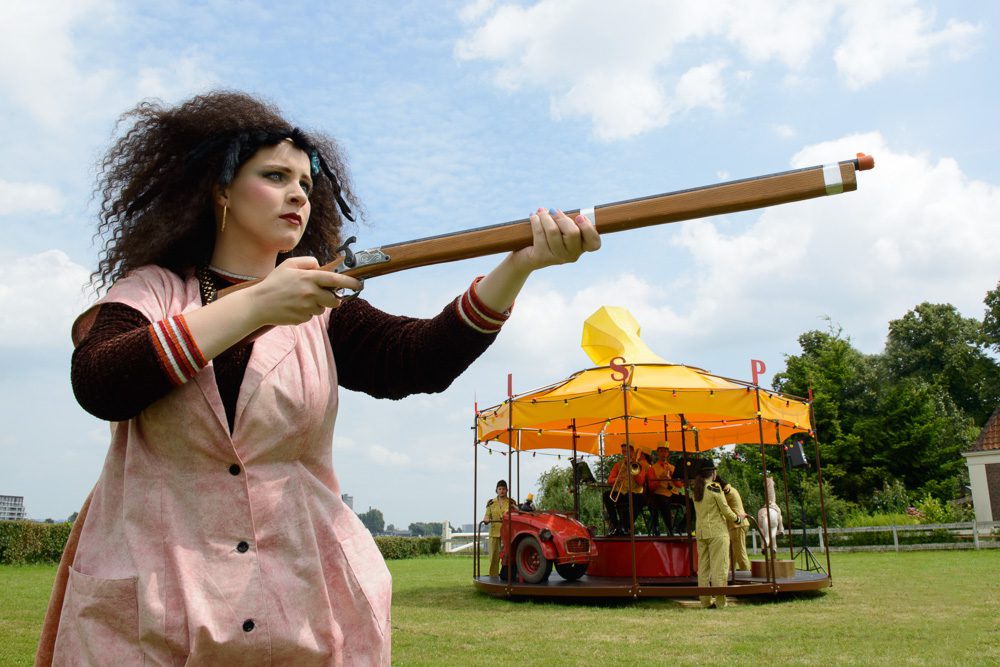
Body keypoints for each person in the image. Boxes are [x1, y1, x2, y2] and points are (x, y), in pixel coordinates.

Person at [37, 91, 600, 666]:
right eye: (275, 175)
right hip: (150, 607)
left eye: (306, 183)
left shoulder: (323, 308)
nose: (297, 194)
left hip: (301, 603)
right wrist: (259, 304)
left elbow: (418, 360)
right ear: (221, 189)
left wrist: (520, 264)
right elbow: (101, 380)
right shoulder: (153, 289)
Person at [691, 460, 742, 608]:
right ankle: (720, 602)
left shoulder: (696, 490)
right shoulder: (715, 488)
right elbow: (725, 510)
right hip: (717, 532)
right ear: (713, 473)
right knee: (720, 567)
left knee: (703, 569)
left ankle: (705, 602)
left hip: (701, 532)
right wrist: (738, 518)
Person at [602, 443, 650, 536]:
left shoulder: (639, 465)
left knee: (640, 499)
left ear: (632, 452)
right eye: (623, 451)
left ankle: (627, 526)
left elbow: (641, 482)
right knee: (606, 496)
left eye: (627, 451)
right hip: (621, 492)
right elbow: (609, 480)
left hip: (634, 492)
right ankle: (616, 525)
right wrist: (617, 478)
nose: (624, 453)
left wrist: (633, 471)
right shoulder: (618, 465)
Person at [647, 445, 686, 536]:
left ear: (668, 453)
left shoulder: (672, 467)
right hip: (660, 494)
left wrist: (673, 478)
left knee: (691, 502)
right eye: (661, 451)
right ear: (658, 453)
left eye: (665, 452)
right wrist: (660, 479)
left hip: (673, 493)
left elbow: (680, 486)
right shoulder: (652, 469)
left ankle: (680, 527)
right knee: (664, 503)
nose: (664, 454)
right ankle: (670, 530)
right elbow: (651, 487)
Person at [482, 479, 517, 578]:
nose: (502, 491)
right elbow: (486, 516)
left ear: (507, 490)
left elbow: (516, 516)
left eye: (504, 489)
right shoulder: (491, 503)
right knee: (494, 557)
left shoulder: (511, 503)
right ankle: (493, 577)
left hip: (507, 533)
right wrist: (486, 519)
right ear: (496, 490)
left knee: (509, 555)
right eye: (500, 489)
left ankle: (510, 576)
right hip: (494, 533)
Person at [716, 476, 751, 570]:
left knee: (740, 553)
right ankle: (731, 575)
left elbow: (720, 505)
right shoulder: (732, 490)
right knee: (732, 554)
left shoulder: (727, 492)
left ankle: (747, 576)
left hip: (737, 525)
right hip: (737, 525)